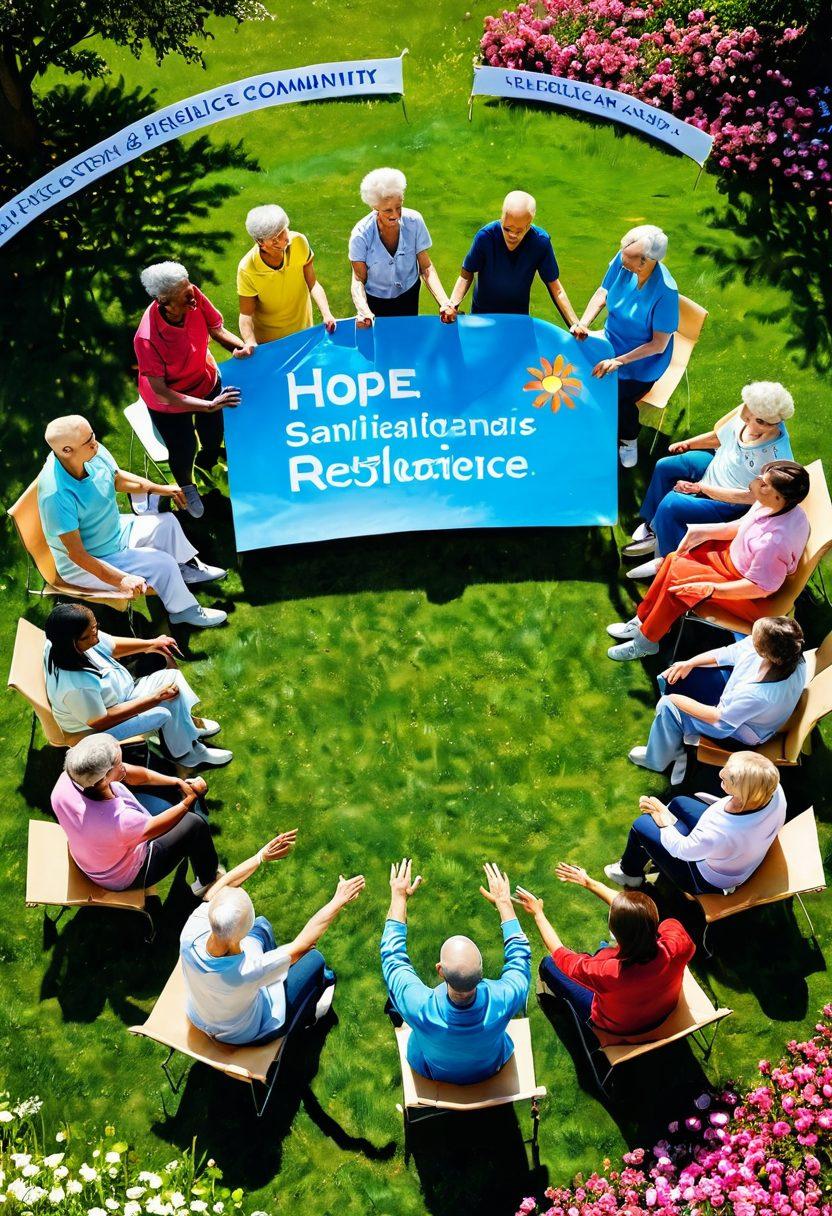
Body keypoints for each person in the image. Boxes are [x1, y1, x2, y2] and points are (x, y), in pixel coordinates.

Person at [607, 460, 811, 662]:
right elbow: (743, 525)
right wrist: (702, 532)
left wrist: (711, 589)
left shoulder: (774, 543)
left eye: (764, 483)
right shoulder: (774, 504)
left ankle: (647, 641)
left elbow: (760, 588)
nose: (756, 482)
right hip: (732, 560)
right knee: (673, 558)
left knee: (678, 590)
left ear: (778, 496)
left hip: (746, 590)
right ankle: (643, 619)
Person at [38, 415, 226, 629]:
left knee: (167, 525)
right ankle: (184, 610)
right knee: (162, 564)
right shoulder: (55, 495)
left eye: (93, 435)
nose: (95, 443)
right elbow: (77, 555)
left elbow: (116, 478)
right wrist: (121, 580)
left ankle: (183, 569)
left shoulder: (92, 453)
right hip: (91, 559)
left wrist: (160, 488)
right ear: (67, 451)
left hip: (114, 529)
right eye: (88, 440)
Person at [180, 832, 365, 1043]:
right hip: (244, 1033)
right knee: (314, 959)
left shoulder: (191, 931)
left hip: (201, 1015)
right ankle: (313, 1014)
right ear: (239, 936)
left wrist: (260, 857)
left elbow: (216, 892)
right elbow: (304, 944)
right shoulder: (249, 970)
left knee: (262, 926)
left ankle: (278, 972)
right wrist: (338, 901)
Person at [624, 382, 795, 580]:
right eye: (745, 415)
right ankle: (653, 529)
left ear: (768, 422)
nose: (745, 420)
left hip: (727, 502)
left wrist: (702, 488)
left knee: (671, 504)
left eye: (751, 420)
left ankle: (668, 561)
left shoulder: (777, 458)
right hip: (714, 466)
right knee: (665, 466)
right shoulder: (748, 412)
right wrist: (688, 444)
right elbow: (719, 437)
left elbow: (754, 498)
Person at [380, 859, 531, 1084]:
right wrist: (504, 903)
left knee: (394, 999)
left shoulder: (417, 1005)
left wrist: (399, 897)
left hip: (432, 1071)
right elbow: (520, 957)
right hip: (489, 1069)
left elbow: (392, 957)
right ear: (482, 973)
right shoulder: (506, 998)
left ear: (440, 970)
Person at [43, 603, 232, 769]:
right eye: (90, 635)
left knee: (171, 678)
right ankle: (186, 753)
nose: (97, 638)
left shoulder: (61, 643)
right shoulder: (76, 685)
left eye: (96, 628)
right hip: (98, 729)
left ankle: (186, 727)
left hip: (117, 699)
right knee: (164, 708)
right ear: (72, 642)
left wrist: (151, 644)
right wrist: (154, 699)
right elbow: (100, 721)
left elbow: (112, 645)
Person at [514, 865, 694, 1037]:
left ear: (614, 931)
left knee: (549, 964)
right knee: (602, 948)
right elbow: (642, 915)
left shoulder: (604, 970)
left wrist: (538, 913)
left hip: (619, 1029)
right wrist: (588, 882)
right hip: (665, 1010)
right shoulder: (677, 941)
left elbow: (560, 953)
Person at [135, 261, 254, 520]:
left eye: (190, 286)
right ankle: (187, 487)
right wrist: (208, 405)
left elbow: (216, 328)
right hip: (169, 401)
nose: (193, 295)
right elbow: (161, 391)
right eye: (184, 293)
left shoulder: (192, 295)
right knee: (184, 446)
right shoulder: (147, 338)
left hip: (205, 380)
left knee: (213, 434)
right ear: (165, 301)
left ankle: (209, 460)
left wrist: (237, 347)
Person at [628, 616, 806, 786]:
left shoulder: (759, 694)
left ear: (764, 652)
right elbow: (728, 653)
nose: (751, 636)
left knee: (667, 706)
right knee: (672, 676)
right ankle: (673, 738)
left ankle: (658, 760)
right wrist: (689, 663)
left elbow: (719, 719)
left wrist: (673, 700)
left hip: (736, 730)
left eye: (755, 636)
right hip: (736, 705)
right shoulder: (792, 656)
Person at [52, 734, 222, 895]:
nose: (123, 765)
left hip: (95, 856)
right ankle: (207, 881)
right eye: (119, 763)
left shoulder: (68, 781)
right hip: (124, 876)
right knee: (195, 824)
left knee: (168, 808)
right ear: (104, 779)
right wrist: (189, 800)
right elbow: (154, 829)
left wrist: (175, 781)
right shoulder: (120, 821)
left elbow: (134, 775)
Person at [604, 752, 786, 896]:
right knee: (678, 803)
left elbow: (682, 850)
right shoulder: (773, 790)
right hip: (737, 852)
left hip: (702, 877)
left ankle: (629, 875)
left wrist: (665, 823)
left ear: (745, 793)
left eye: (729, 778)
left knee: (641, 825)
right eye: (727, 766)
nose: (721, 773)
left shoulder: (720, 832)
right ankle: (653, 849)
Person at [572, 225, 679, 468]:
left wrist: (619, 361)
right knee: (577, 368)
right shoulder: (623, 260)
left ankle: (628, 438)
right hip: (610, 340)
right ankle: (595, 424)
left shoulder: (666, 293)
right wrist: (584, 324)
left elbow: (658, 344)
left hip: (642, 362)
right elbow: (602, 292)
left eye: (628, 260)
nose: (622, 262)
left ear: (646, 262)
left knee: (617, 397)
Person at [447, 190, 580, 325]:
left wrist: (574, 323)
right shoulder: (485, 237)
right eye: (507, 229)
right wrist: (453, 304)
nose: (512, 235)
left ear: (529, 225)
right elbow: (466, 274)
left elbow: (556, 288)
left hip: (517, 319)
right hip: (482, 316)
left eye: (519, 231)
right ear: (501, 219)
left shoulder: (540, 242)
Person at [349, 167, 455, 324]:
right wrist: (364, 311)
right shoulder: (360, 235)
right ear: (375, 207)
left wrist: (444, 302)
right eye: (388, 210)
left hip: (409, 294)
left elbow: (426, 267)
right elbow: (358, 279)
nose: (395, 215)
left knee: (409, 337)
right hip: (376, 300)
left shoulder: (415, 221)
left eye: (398, 207)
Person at [237, 204, 337, 346]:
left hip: (303, 331)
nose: (284, 237)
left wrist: (327, 314)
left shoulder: (299, 242)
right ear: (260, 242)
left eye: (283, 230)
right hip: (270, 342)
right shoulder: (247, 269)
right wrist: (250, 342)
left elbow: (313, 283)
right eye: (275, 237)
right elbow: (246, 314)